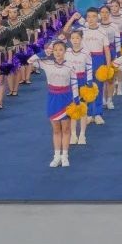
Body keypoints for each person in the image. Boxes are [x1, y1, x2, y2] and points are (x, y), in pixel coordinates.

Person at [28, 40, 81, 168]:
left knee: (66, 129)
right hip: (52, 99)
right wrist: (44, 52)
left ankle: (65, 156)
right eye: (55, 50)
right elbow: (30, 61)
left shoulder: (70, 66)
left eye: (61, 50)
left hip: (66, 99)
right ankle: (56, 156)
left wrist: (76, 100)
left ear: (65, 51)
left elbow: (74, 83)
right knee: (56, 129)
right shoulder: (47, 63)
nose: (58, 52)